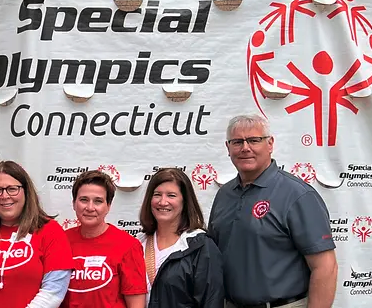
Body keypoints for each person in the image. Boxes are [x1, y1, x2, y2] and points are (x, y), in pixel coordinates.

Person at [208, 115, 337, 308]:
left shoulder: (297, 195)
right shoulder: (224, 195)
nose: (245, 148)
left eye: (254, 140)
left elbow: (325, 267)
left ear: (270, 144)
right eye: (237, 142)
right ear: (228, 148)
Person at [0, 160, 75, 308]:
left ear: (26, 191)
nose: (5, 196)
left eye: (12, 189)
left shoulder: (50, 231)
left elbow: (54, 289)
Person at [137, 168, 224, 308]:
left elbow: (211, 301)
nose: (163, 202)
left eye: (171, 195)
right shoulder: (138, 243)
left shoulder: (201, 246)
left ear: (185, 201)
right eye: (157, 194)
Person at [61, 170, 148, 308]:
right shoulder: (60, 241)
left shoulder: (128, 246)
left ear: (108, 206)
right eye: (84, 200)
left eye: (98, 201)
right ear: (74, 203)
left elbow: (136, 304)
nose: (90, 207)